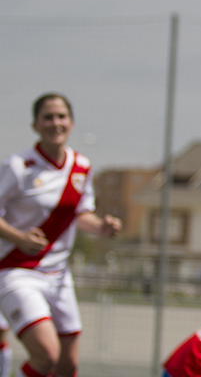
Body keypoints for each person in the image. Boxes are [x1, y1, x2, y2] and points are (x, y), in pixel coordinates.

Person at [0, 92, 122, 377]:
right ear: (35, 125)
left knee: (68, 366)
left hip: (59, 276)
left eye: (61, 116)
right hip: (18, 271)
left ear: (71, 122)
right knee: (47, 356)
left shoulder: (81, 166)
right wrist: (19, 237)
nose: (55, 123)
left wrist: (103, 227)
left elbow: (81, 214)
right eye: (48, 117)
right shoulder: (18, 167)